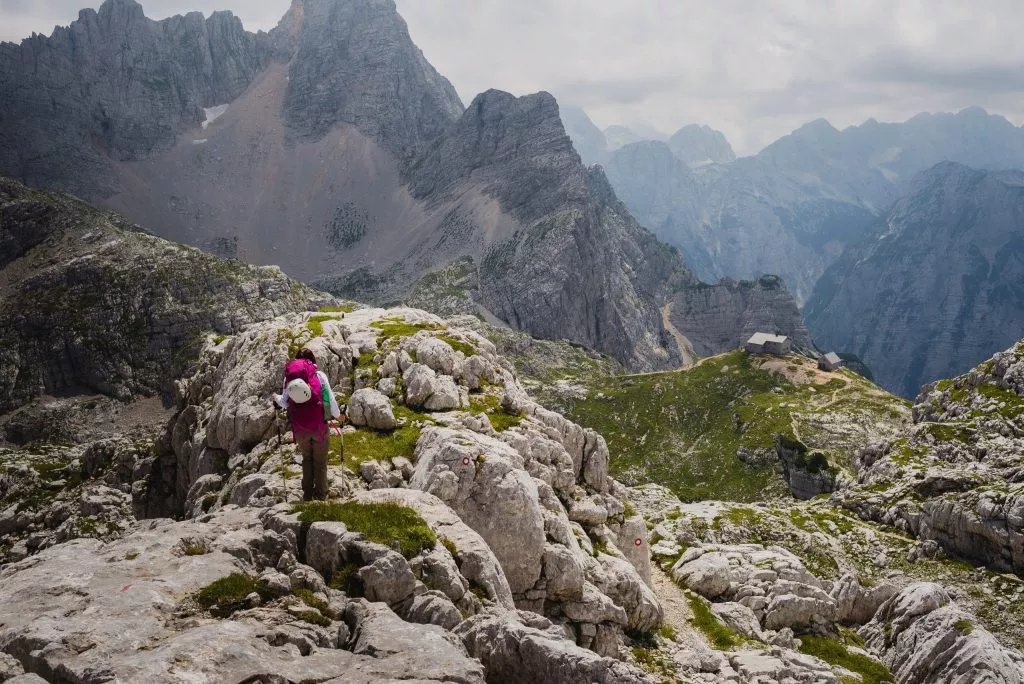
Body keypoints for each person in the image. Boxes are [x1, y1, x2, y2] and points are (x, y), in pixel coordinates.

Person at [274, 348, 342, 501]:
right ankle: (321, 495)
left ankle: (307, 494)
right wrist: (339, 417)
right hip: (319, 427)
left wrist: (276, 398)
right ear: (312, 360)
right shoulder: (319, 376)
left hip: (300, 429)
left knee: (307, 459)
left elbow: (284, 402)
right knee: (320, 462)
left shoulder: (289, 379)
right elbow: (330, 400)